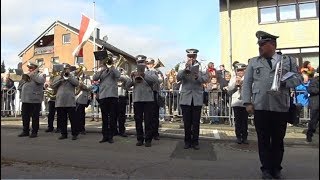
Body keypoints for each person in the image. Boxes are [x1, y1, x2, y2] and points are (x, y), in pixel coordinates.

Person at [242, 31, 301, 179]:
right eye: (259, 45)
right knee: (263, 140)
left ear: (273, 45)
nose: (260, 48)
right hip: (260, 106)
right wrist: (247, 102)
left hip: (280, 106)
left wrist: (285, 83)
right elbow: (247, 83)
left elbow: (298, 78)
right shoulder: (253, 61)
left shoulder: (288, 60)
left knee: (278, 140)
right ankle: (266, 169)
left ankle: (276, 168)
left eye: (263, 45)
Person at [177, 48, 209, 150]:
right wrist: (185, 68)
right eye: (189, 56)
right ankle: (187, 141)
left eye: (193, 56)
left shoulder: (202, 66)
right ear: (187, 56)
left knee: (195, 122)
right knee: (187, 121)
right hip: (186, 97)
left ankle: (195, 141)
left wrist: (197, 77)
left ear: (196, 56)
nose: (191, 58)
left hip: (197, 97)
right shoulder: (182, 64)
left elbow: (206, 78)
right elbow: (178, 77)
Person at [125, 55, 159, 147]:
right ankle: (140, 139)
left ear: (145, 63)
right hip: (137, 99)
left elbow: (156, 81)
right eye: (139, 62)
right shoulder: (133, 72)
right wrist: (131, 77)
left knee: (148, 120)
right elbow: (127, 86)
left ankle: (148, 140)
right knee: (138, 120)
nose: (140, 64)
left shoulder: (151, 72)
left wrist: (144, 75)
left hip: (148, 99)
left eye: (142, 62)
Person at [93, 56, 121, 144]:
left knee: (112, 117)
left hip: (112, 95)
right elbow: (95, 78)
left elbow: (118, 75)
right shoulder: (102, 70)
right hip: (103, 96)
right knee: (104, 117)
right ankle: (105, 136)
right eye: (107, 62)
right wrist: (102, 69)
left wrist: (112, 67)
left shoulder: (114, 70)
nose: (107, 63)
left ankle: (111, 136)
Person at [51, 63, 80, 140]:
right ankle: (64, 134)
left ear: (69, 69)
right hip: (60, 101)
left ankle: (74, 134)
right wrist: (60, 79)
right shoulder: (57, 77)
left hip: (70, 101)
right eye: (64, 69)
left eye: (66, 69)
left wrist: (69, 77)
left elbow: (77, 83)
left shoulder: (72, 76)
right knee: (62, 119)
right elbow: (52, 86)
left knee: (73, 119)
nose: (65, 70)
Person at [17, 61, 45, 138]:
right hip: (25, 99)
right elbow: (20, 86)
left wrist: (33, 74)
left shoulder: (41, 75)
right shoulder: (27, 75)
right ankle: (25, 131)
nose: (29, 69)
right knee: (25, 116)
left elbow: (41, 81)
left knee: (35, 117)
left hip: (35, 99)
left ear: (35, 68)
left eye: (31, 68)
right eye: (29, 68)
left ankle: (34, 132)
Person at [228, 63, 249, 144]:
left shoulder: (247, 78)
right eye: (238, 71)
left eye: (242, 71)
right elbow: (229, 90)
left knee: (244, 121)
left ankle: (245, 137)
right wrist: (235, 85)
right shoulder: (233, 78)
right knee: (238, 121)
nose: (240, 72)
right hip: (236, 102)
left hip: (245, 102)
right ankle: (238, 137)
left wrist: (242, 83)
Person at [146, 57, 163, 140]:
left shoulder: (157, 71)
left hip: (155, 93)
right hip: (147, 94)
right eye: (148, 63)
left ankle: (155, 133)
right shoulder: (145, 71)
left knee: (155, 115)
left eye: (151, 63)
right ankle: (149, 133)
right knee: (148, 115)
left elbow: (160, 80)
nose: (149, 65)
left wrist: (156, 74)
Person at [114, 68, 130, 137]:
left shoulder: (125, 76)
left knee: (121, 116)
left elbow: (128, 81)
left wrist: (123, 74)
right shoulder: (114, 74)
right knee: (113, 115)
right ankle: (114, 131)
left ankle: (122, 131)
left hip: (122, 96)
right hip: (114, 96)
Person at [306, 67, 319, 142]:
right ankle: (309, 134)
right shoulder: (314, 80)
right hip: (316, 104)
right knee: (313, 121)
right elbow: (310, 90)